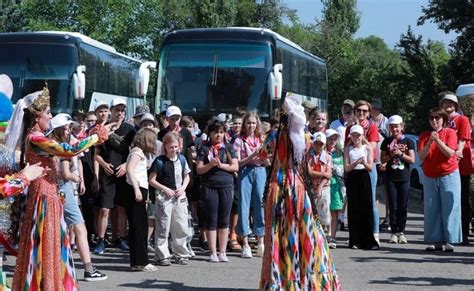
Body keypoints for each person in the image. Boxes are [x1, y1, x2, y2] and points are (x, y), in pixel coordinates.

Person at [7, 87, 107, 290]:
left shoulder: (40, 137)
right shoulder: (35, 139)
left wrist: (90, 135)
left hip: (49, 195)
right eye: (48, 113)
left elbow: (70, 144)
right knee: (46, 245)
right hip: (43, 199)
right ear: (37, 116)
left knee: (52, 244)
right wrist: (95, 137)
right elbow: (69, 150)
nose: (51, 117)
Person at [259, 95, 340, 290]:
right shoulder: (304, 138)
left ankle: (281, 280)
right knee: (304, 232)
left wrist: (275, 163)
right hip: (297, 189)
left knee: (279, 234)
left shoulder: (275, 135)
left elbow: (263, 155)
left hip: (279, 188)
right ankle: (304, 280)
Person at [49, 113, 107, 281]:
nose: (69, 131)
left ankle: (56, 266)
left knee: (60, 229)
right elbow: (65, 173)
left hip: (54, 189)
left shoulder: (49, 145)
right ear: (60, 130)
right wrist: (75, 177)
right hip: (64, 189)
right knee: (79, 227)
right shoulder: (62, 147)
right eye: (67, 128)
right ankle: (89, 269)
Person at [94, 98, 135, 254]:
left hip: (123, 174)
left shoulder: (130, 130)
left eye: (122, 110)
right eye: (117, 110)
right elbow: (96, 154)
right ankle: (101, 240)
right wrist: (104, 165)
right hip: (108, 175)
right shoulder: (102, 130)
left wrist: (126, 166)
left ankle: (120, 238)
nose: (119, 113)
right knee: (105, 209)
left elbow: (136, 152)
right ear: (111, 111)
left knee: (121, 209)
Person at [419, 107, 461, 252]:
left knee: (449, 208)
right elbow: (421, 156)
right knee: (432, 209)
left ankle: (450, 240)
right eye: (432, 118)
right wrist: (430, 142)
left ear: (443, 119)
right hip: (430, 176)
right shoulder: (425, 135)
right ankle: (434, 240)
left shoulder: (450, 132)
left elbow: (450, 153)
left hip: (449, 174)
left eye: (438, 118)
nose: (435, 121)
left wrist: (438, 141)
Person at [196, 120, 239, 262]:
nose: (218, 135)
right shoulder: (204, 148)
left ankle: (223, 251)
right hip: (209, 186)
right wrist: (210, 164)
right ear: (210, 133)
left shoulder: (228, 147)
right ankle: (212, 252)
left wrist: (221, 165)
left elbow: (235, 167)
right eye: (216, 132)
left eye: (221, 132)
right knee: (211, 219)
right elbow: (199, 169)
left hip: (226, 186)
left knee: (224, 219)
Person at [149, 132, 191, 266]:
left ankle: (181, 253)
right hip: (164, 197)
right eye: (171, 147)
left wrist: (183, 188)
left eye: (176, 147)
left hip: (179, 196)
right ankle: (162, 255)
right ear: (165, 147)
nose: (174, 150)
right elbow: (152, 180)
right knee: (163, 226)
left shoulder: (182, 159)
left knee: (180, 225)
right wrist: (164, 189)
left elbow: (187, 175)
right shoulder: (159, 161)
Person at [439, 92, 473, 245]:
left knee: (462, 199)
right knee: (448, 199)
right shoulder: (441, 121)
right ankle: (449, 232)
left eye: (451, 104)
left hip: (461, 164)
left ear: (456, 106)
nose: (448, 106)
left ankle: (463, 233)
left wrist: (457, 152)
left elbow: (463, 139)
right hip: (445, 164)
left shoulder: (462, 119)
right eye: (445, 103)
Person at [345, 100, 381, 245]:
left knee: (370, 202)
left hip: (368, 167)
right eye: (359, 110)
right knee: (354, 202)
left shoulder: (372, 127)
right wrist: (353, 132)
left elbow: (372, 146)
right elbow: (347, 145)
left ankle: (374, 233)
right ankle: (357, 234)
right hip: (354, 168)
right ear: (354, 111)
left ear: (369, 113)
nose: (361, 113)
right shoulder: (349, 128)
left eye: (365, 111)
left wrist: (360, 133)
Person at [125, 128, 158, 271]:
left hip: (140, 189)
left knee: (138, 226)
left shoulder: (138, 152)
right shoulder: (137, 152)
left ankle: (137, 262)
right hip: (136, 189)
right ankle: (142, 261)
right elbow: (130, 169)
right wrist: (137, 189)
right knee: (139, 227)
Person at [233, 111, 266, 258]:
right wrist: (252, 156)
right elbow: (237, 162)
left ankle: (260, 241)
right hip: (245, 171)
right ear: (244, 125)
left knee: (260, 203)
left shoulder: (262, 139)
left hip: (260, 170)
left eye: (253, 123)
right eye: (248, 123)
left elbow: (267, 160)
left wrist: (265, 157)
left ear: (257, 124)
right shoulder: (239, 140)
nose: (251, 125)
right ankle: (245, 242)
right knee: (244, 206)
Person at [380, 115, 415, 244]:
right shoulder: (386, 141)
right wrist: (390, 155)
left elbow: (412, 160)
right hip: (391, 177)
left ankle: (401, 231)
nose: (395, 129)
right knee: (393, 206)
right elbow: (382, 159)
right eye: (392, 126)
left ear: (402, 127)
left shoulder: (408, 141)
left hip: (404, 177)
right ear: (389, 127)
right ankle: (394, 232)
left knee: (403, 205)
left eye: (397, 126)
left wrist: (401, 154)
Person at [329, 98, 354, 230]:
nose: (347, 110)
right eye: (345, 108)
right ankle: (340, 218)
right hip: (339, 159)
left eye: (349, 108)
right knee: (340, 188)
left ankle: (345, 217)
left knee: (349, 191)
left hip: (352, 159)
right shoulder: (334, 124)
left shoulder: (355, 124)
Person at [307, 131, 332, 233]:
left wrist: (320, 187)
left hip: (324, 187)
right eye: (316, 143)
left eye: (321, 144)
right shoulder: (308, 156)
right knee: (312, 212)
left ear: (324, 145)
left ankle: (325, 234)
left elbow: (329, 174)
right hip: (310, 187)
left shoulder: (328, 157)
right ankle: (313, 233)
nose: (318, 146)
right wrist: (323, 173)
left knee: (324, 212)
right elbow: (309, 172)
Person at [325, 129, 345, 249]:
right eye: (330, 139)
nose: (332, 141)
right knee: (324, 211)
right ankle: (325, 235)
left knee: (334, 211)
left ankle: (333, 236)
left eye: (334, 139)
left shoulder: (340, 153)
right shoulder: (321, 151)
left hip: (337, 185)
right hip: (325, 184)